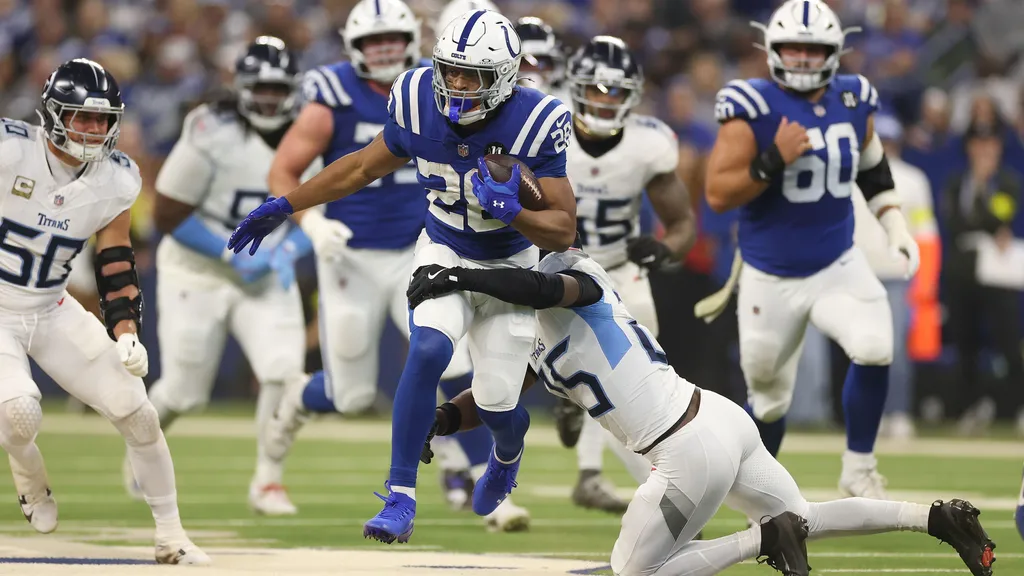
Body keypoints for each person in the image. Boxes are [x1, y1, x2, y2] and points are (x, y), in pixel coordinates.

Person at [407, 248, 997, 576]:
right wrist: (442, 419)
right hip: (713, 418)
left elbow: (542, 288)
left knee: (634, 574)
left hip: (683, 446)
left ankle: (759, 539)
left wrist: (465, 274)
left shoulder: (574, 274)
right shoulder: (526, 331)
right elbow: (498, 394)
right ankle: (937, 519)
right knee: (804, 517)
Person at [228, 9, 577, 544]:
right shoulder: (416, 98)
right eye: (450, 70)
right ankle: (400, 495)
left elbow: (563, 230)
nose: (456, 84)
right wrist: (287, 204)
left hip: (509, 264)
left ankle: (506, 456)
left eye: (472, 76)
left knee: (496, 403)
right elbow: (361, 166)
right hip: (444, 247)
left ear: (504, 77)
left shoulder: (537, 120)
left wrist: (513, 213)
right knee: (429, 349)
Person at [701, 0, 920, 498]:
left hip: (836, 262)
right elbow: (717, 194)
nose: (801, 58)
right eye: (792, 48)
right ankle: (755, 493)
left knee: (875, 346)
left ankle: (859, 469)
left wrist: (893, 222)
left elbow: (871, 164)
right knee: (770, 400)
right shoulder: (752, 103)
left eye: (813, 49)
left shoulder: (854, 96)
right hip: (770, 274)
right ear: (771, 49)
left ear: (834, 52)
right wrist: (773, 159)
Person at [0, 58, 208, 564]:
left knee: (139, 413)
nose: (94, 130)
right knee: (20, 413)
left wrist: (126, 331)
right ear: (54, 114)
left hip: (51, 305)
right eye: (83, 117)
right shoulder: (10, 149)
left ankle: (172, 535)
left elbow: (114, 260)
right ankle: (27, 469)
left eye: (102, 119)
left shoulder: (116, 177)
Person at [119, 37, 313, 516]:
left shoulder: (312, 129)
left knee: (284, 373)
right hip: (198, 269)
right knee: (184, 393)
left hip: (265, 271)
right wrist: (229, 255)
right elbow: (167, 214)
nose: (270, 98)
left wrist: (290, 249)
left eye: (279, 88)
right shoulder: (210, 129)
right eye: (261, 88)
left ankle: (268, 480)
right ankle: (141, 449)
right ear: (241, 87)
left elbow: (327, 207)